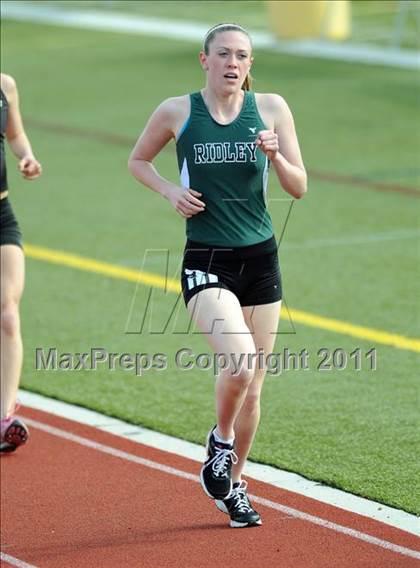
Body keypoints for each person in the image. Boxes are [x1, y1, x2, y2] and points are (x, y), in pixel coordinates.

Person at [128, 23, 307, 528]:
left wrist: (275, 156)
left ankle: (234, 486)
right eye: (223, 54)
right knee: (239, 361)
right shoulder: (178, 111)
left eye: (242, 55)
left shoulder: (271, 109)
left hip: (262, 259)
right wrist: (168, 191)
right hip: (207, 257)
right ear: (203, 60)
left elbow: (299, 186)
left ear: (251, 65)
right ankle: (220, 441)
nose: (233, 63)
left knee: (254, 386)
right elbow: (138, 160)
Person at [0, 73, 42, 452]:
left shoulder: (6, 85)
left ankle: (3, 418)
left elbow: (14, 135)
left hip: (1, 214)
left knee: (8, 314)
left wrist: (26, 156)